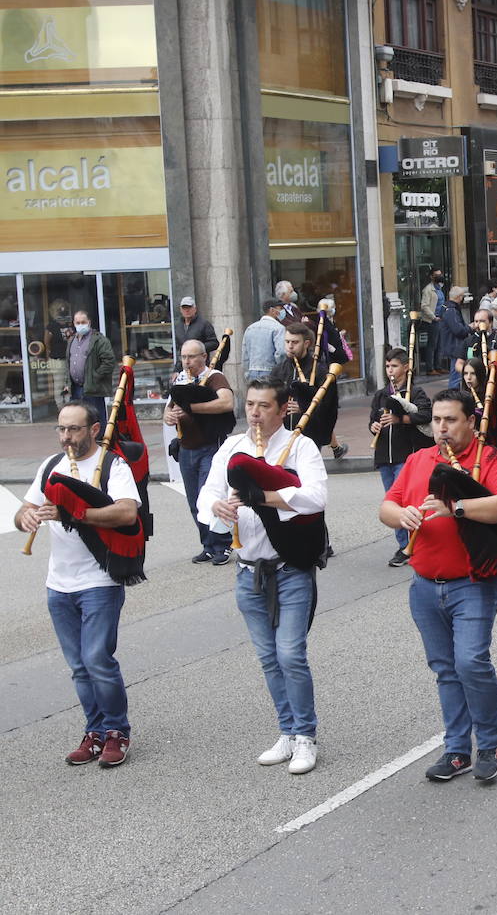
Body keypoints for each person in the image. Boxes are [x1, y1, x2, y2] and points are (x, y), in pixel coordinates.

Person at [381, 388, 497, 784]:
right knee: (445, 669)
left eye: (450, 420)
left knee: (470, 662)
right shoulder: (416, 460)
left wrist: (457, 507)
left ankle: (490, 743)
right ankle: (457, 750)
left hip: (473, 583)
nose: (441, 428)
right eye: (437, 420)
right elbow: (385, 507)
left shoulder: (488, 459)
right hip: (425, 584)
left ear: (470, 423)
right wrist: (402, 514)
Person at [198, 378, 329, 774]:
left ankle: (306, 737)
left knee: (290, 654)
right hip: (248, 570)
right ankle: (287, 731)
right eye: (250, 405)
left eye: (263, 406)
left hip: (289, 568)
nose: (254, 413)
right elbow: (206, 494)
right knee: (269, 658)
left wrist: (263, 497)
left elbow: (315, 498)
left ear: (282, 408)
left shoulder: (301, 447)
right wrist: (218, 508)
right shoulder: (232, 447)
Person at [16, 401, 141, 768]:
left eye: (73, 429)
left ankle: (117, 731)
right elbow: (23, 507)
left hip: (99, 580)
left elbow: (126, 511)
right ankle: (96, 731)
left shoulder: (112, 465)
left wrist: (76, 514)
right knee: (79, 666)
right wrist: (25, 517)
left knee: (97, 660)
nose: (66, 437)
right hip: (59, 583)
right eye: (61, 429)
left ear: (94, 429)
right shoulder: (51, 466)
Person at [164, 339, 236, 565]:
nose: (187, 362)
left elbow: (226, 403)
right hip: (186, 448)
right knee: (195, 500)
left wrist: (192, 408)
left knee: (212, 496)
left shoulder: (215, 377)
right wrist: (168, 416)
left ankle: (222, 546)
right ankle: (207, 545)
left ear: (204, 357)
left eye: (191, 357)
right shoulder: (181, 379)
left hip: (209, 447)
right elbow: (170, 410)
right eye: (184, 357)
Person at [369, 347, 433, 567]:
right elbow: (371, 421)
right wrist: (374, 425)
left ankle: (413, 544)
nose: (390, 370)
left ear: (406, 367)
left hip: (405, 454)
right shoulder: (380, 395)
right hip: (383, 456)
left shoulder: (415, 392)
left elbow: (426, 414)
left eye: (394, 366)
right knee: (392, 501)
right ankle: (402, 545)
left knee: (407, 500)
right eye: (387, 366)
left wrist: (401, 420)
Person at [269, 323, 345, 460]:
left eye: (295, 342)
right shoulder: (279, 370)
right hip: (283, 433)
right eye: (287, 342)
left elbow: (328, 405)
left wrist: (303, 407)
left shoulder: (319, 371)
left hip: (309, 434)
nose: (290, 346)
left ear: (306, 343)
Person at [63, 310, 116, 426]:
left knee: (95, 417)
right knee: (78, 418)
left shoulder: (98, 340)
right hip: (76, 388)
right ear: (74, 323)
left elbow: (109, 361)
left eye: (83, 322)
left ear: (89, 322)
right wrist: (68, 382)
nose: (80, 325)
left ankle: (100, 440)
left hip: (93, 387)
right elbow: (69, 362)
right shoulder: (72, 340)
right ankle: (82, 442)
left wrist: (95, 376)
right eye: (78, 322)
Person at [243, 300, 286, 381]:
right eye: (280, 308)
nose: (282, 311)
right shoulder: (279, 328)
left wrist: (247, 372)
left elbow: (245, 354)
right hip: (271, 372)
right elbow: (281, 352)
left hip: (252, 372)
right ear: (272, 310)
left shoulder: (250, 328)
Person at [173, 297, 220, 367]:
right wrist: (176, 369)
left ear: (195, 309)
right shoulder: (178, 326)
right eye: (184, 308)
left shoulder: (204, 324)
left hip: (200, 365)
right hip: (183, 366)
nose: (187, 310)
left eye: (189, 307)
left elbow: (214, 343)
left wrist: (197, 348)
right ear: (181, 310)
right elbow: (177, 348)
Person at [418, 269, 444, 373]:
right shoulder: (428, 290)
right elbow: (424, 306)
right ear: (431, 277)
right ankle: (430, 368)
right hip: (432, 320)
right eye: (436, 275)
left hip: (440, 319)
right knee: (432, 344)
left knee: (439, 344)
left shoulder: (440, 288)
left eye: (440, 275)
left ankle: (438, 366)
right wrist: (433, 317)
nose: (439, 277)